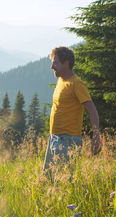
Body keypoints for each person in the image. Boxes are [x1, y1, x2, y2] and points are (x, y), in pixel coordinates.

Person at [43, 46, 101, 175]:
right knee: (48, 179)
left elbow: (92, 110)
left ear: (66, 63)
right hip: (54, 138)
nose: (52, 67)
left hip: (67, 141)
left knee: (64, 181)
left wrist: (96, 136)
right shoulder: (61, 81)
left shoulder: (76, 84)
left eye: (55, 63)